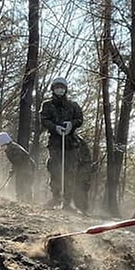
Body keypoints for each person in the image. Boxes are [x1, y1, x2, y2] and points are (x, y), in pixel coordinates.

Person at [38, 77, 91, 211]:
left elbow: (79, 119)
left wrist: (71, 124)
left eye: (62, 88)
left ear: (65, 89)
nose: (60, 90)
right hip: (55, 143)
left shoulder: (73, 105)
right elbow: (44, 119)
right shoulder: (47, 105)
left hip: (71, 144)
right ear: (53, 89)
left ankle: (67, 202)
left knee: (70, 172)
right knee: (55, 169)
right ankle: (56, 197)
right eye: (57, 87)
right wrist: (55, 127)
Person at [0, 131, 35, 202]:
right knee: (19, 184)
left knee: (25, 184)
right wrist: (12, 170)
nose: (1, 148)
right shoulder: (9, 149)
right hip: (22, 167)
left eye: (2, 146)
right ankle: (20, 200)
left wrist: (12, 170)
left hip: (27, 167)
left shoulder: (14, 149)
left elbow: (18, 162)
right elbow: (15, 163)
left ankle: (28, 201)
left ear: (6, 143)